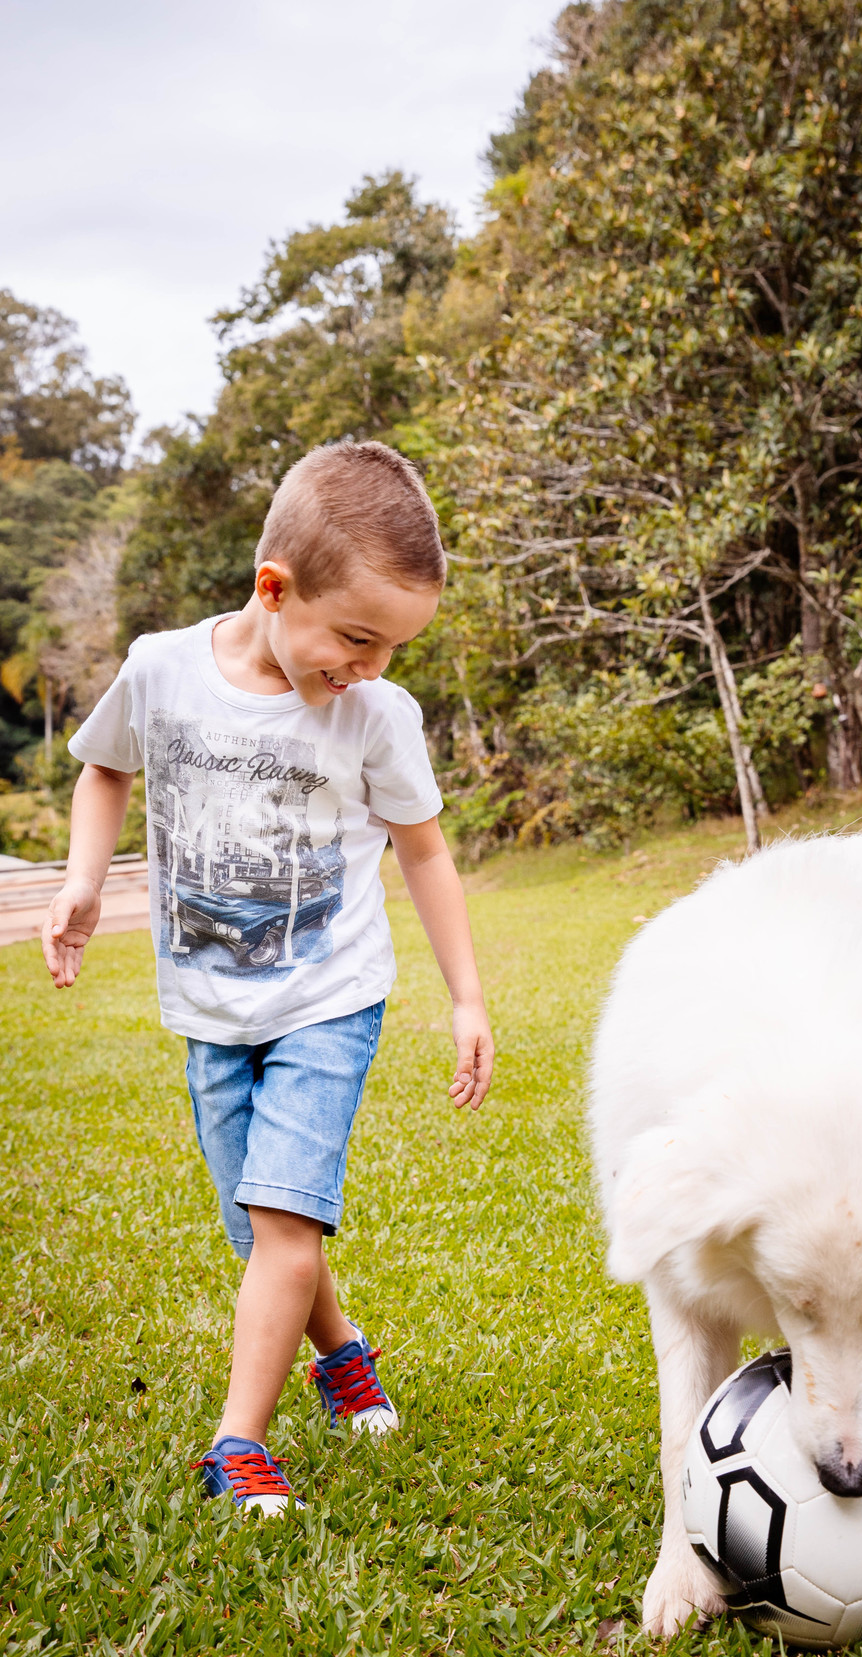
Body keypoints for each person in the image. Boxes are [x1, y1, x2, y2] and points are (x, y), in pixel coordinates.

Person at [41, 441, 493, 1513]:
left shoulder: (376, 715)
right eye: (356, 639)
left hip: (328, 996)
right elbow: (106, 767)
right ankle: (343, 1357)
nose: (372, 666)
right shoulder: (162, 670)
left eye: (392, 647)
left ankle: (236, 1446)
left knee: (284, 1223)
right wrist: (84, 883)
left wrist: (467, 996)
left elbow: (422, 849)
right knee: (262, 1226)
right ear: (273, 588)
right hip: (209, 1006)